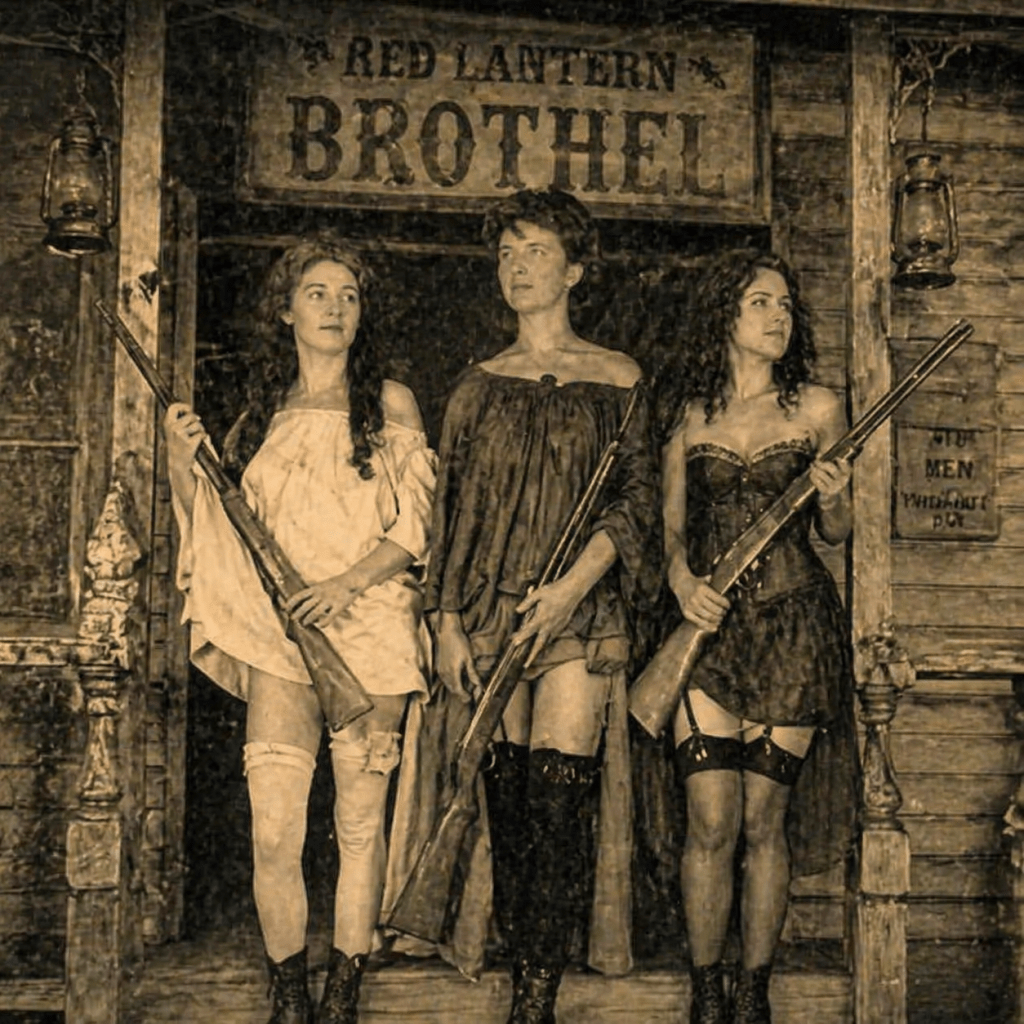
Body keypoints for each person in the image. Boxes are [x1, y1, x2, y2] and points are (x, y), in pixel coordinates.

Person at [164, 236, 436, 1024]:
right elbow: (215, 531)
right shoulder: (260, 414)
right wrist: (182, 458)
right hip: (284, 643)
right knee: (276, 833)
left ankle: (342, 995)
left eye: (348, 294)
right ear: (285, 310)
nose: (334, 308)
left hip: (372, 634)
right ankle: (289, 998)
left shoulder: (391, 404)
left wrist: (342, 586)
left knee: (359, 829)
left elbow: (415, 527)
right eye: (316, 293)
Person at [411, 188, 659, 1023]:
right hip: (490, 614)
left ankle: (536, 999)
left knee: (558, 802)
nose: (517, 268)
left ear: (576, 270)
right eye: (506, 254)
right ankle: (525, 966)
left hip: (577, 615)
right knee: (509, 803)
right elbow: (449, 515)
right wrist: (446, 622)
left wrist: (571, 589)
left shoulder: (619, 378)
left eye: (537, 252)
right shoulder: (476, 386)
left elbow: (636, 503)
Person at [658, 249, 858, 1024]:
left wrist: (834, 496)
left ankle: (753, 994)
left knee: (763, 821)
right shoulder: (688, 415)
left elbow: (836, 532)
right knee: (709, 819)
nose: (779, 318)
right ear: (726, 315)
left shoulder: (820, 408)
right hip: (708, 637)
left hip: (794, 629)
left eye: (785, 305)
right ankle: (706, 991)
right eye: (760, 303)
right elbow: (672, 532)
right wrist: (682, 584)